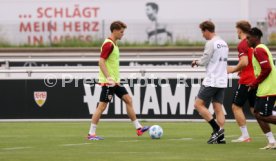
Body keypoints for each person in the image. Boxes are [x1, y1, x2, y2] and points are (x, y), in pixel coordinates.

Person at [87, 21, 150, 140]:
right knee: (101, 107)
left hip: (115, 82)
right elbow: (101, 61)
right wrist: (108, 78)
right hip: (109, 82)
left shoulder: (114, 44)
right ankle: (91, 134)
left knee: (128, 99)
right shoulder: (109, 44)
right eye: (121, 32)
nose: (123, 34)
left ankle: (138, 128)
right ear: (115, 31)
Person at [191, 20, 228, 144]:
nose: (202, 35)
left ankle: (216, 129)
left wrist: (196, 62)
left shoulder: (211, 43)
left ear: (207, 30)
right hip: (222, 80)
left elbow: (204, 60)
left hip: (212, 79)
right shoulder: (223, 43)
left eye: (202, 32)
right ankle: (221, 137)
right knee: (218, 108)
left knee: (198, 105)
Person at [247, 27, 276, 149]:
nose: (247, 40)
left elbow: (267, 68)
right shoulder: (261, 48)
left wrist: (254, 83)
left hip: (269, 88)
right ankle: (272, 142)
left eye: (249, 38)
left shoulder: (259, 50)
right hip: (264, 87)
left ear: (256, 37)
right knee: (257, 113)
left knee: (264, 115)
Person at [227, 20, 255, 142]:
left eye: (236, 30)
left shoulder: (243, 44)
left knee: (236, 106)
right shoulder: (252, 42)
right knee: (256, 111)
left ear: (239, 30)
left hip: (247, 81)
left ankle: (245, 136)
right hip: (255, 78)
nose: (236, 32)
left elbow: (244, 62)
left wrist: (233, 69)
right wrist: (242, 70)